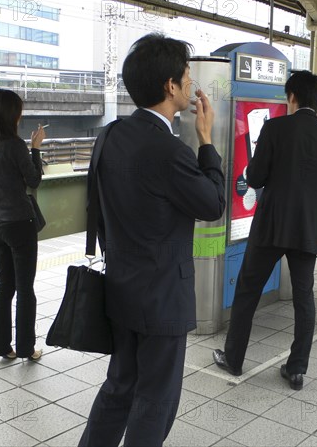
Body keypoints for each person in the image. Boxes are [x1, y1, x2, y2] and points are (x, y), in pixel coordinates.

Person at [78, 33, 225, 447]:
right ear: (170, 87)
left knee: (120, 386)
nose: (191, 83)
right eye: (187, 76)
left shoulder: (109, 135)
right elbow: (213, 203)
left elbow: (99, 211)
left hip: (121, 286)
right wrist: (207, 140)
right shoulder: (169, 149)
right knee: (156, 398)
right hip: (162, 295)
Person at [212, 71, 317, 391]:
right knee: (304, 299)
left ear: (292, 97)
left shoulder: (274, 128)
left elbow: (255, 178)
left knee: (247, 291)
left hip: (270, 226)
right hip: (308, 231)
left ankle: (234, 358)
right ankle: (297, 369)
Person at [0, 89, 45, 360]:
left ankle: (1, 347)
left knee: (3, 285)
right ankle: (27, 348)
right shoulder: (16, 145)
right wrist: (36, 149)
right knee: (25, 288)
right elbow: (34, 181)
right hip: (20, 223)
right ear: (13, 114)